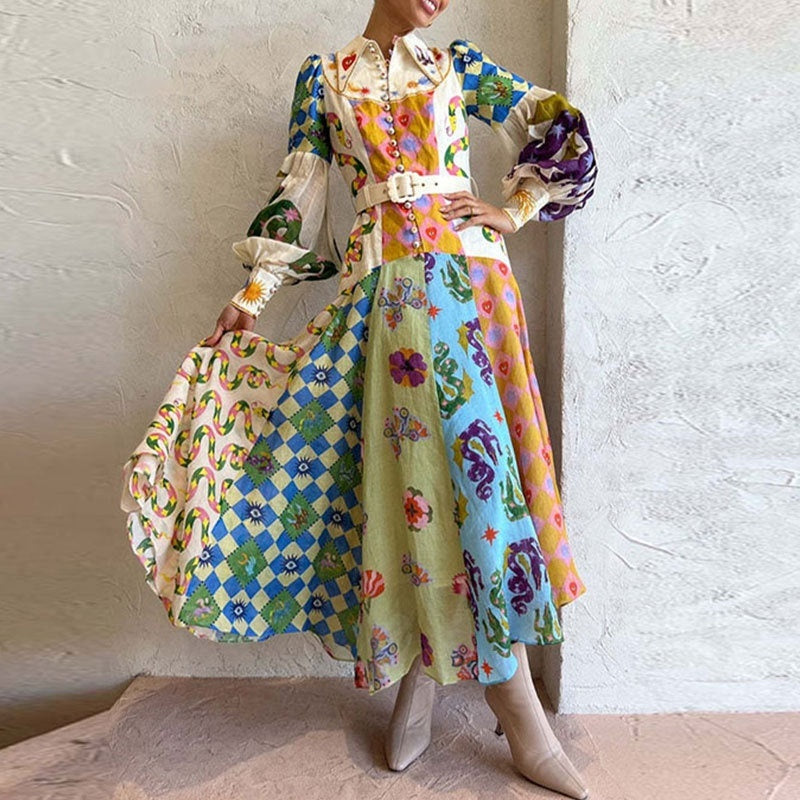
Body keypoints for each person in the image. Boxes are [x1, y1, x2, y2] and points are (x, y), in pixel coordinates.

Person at [120, 1, 597, 797]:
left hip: (468, 291)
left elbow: (557, 123)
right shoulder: (326, 79)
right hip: (378, 300)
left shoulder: (457, 66)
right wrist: (253, 295)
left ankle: (516, 708)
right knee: (403, 491)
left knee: (480, 488)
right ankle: (423, 667)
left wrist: (513, 209)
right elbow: (300, 192)